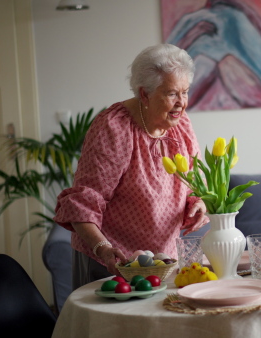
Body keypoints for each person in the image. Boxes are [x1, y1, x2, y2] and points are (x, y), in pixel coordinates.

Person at [54, 44, 209, 289]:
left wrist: (198, 203)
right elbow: (85, 201)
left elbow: (193, 184)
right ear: (144, 94)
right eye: (171, 94)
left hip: (164, 262)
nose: (181, 103)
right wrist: (104, 250)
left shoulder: (180, 124)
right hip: (113, 261)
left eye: (185, 92)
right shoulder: (114, 127)